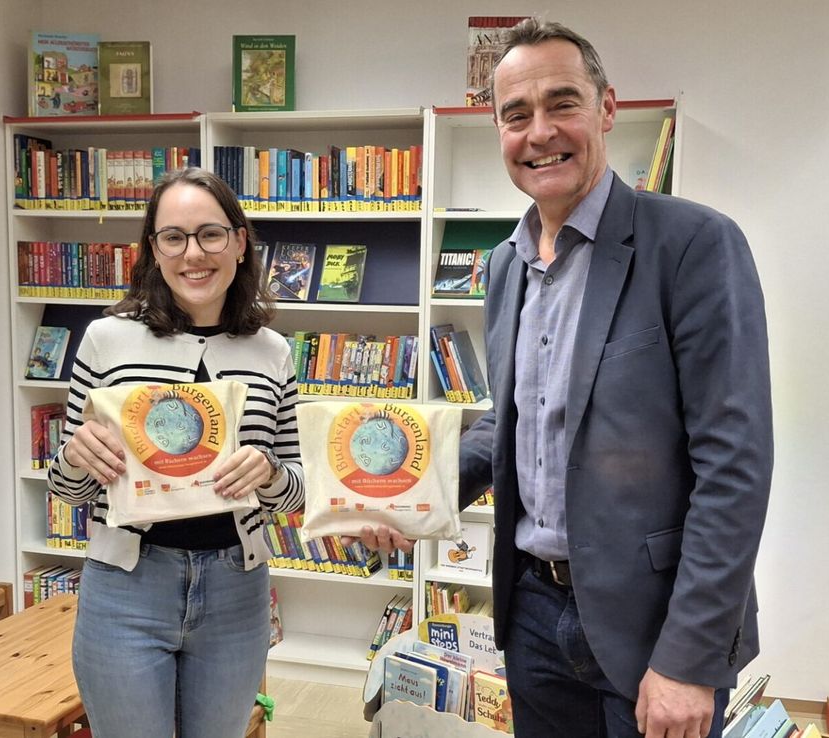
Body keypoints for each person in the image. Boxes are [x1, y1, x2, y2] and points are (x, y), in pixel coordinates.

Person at [357, 20, 773, 738]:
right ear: (498, 129)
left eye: (563, 103)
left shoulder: (693, 244)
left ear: (606, 108)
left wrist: (689, 658)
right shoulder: (505, 265)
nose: (540, 132)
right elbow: (511, 420)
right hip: (534, 615)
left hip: (654, 624)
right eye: (516, 114)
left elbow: (734, 465)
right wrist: (413, 494)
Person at [47, 167, 303, 738]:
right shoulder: (107, 340)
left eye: (210, 234)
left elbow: (298, 487)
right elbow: (67, 488)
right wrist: (76, 457)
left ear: (239, 242)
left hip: (237, 590)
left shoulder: (272, 352)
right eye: (173, 237)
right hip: (126, 588)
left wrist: (269, 473)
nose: (194, 254)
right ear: (153, 249)